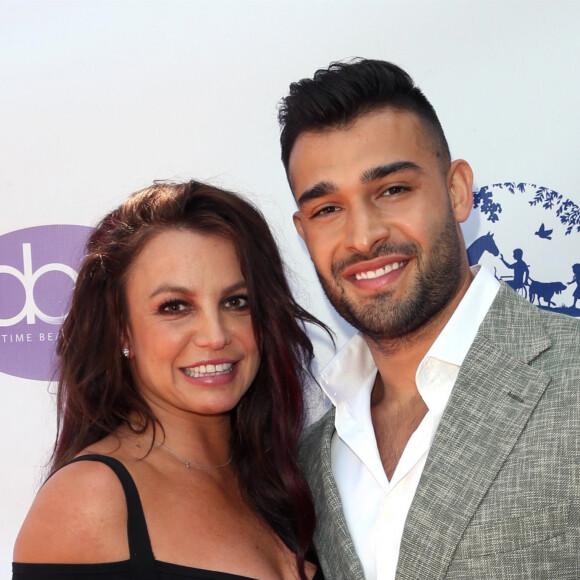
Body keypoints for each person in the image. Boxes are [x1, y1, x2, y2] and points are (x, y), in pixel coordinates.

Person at [277, 59, 580, 579]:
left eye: (392, 190)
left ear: (458, 190)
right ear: (303, 233)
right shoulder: (309, 459)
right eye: (328, 209)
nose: (363, 236)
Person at [13, 181, 327, 580]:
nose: (215, 335)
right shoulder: (92, 499)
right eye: (175, 307)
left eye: (236, 301)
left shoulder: (283, 477)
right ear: (122, 331)